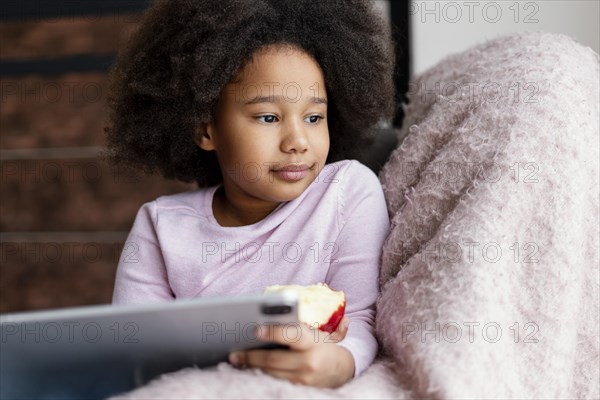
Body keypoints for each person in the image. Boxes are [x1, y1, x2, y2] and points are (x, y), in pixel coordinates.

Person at [106, 0, 395, 389]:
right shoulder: (161, 227)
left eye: (313, 117)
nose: (297, 141)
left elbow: (362, 318)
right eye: (268, 117)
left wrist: (338, 363)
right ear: (206, 130)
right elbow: (131, 349)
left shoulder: (347, 193)